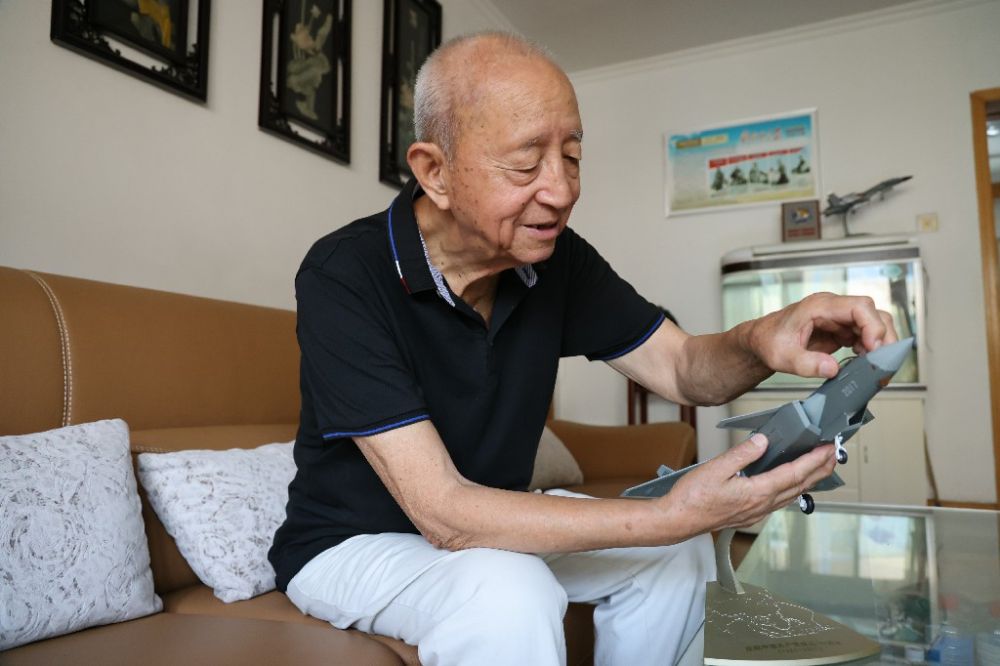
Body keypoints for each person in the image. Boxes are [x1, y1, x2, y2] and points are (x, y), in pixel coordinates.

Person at [268, 31, 896, 666]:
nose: (562, 190)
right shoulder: (345, 275)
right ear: (436, 172)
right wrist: (672, 513)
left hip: (496, 523)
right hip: (351, 544)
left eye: (571, 157)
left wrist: (762, 338)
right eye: (526, 164)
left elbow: (682, 368)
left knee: (672, 553)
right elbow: (445, 512)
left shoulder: (554, 259)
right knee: (511, 592)